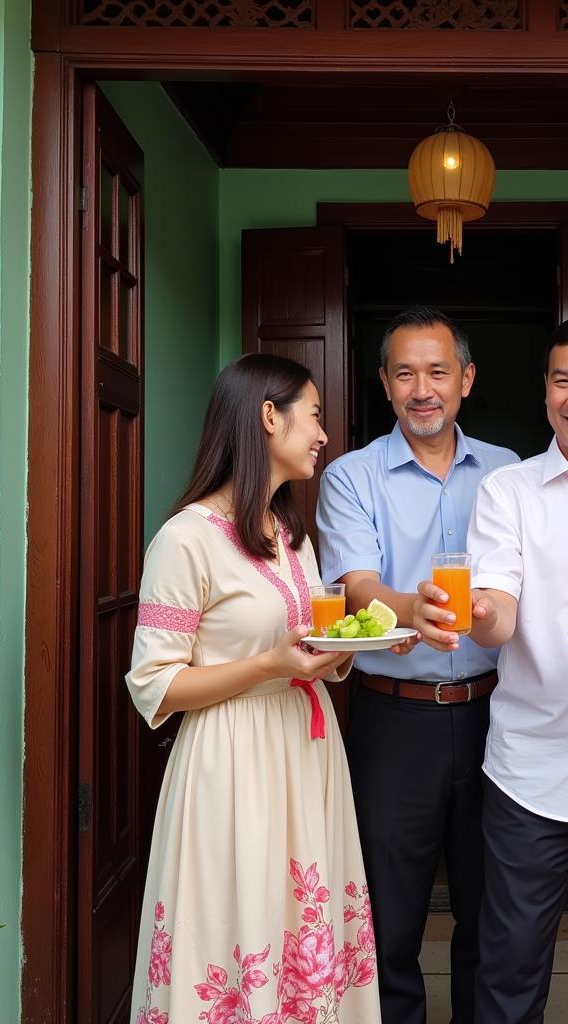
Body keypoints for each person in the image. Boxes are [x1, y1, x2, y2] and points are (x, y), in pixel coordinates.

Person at [414, 310, 568, 1023]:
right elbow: (497, 601)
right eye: (562, 381)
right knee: (511, 965)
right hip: (532, 770)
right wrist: (474, 615)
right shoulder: (510, 492)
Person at [126, 354, 381, 1024]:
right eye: (315, 415)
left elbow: (309, 642)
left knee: (301, 919)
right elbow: (155, 684)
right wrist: (269, 666)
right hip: (231, 764)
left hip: (305, 752)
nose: (324, 434)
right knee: (239, 923)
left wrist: (348, 652)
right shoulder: (184, 542)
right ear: (269, 417)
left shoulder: (291, 533)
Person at [317, 306, 518, 1024]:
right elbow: (356, 584)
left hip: (499, 716)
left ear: (465, 379)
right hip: (392, 717)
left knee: (489, 913)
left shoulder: (508, 471)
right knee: (389, 919)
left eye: (438, 371)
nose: (422, 388)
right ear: (384, 382)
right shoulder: (350, 475)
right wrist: (411, 608)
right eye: (405, 373)